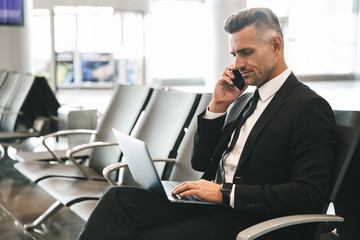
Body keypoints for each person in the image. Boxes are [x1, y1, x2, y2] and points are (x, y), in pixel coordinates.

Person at [77, 8, 336, 240]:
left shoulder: (307, 107)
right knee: (118, 199)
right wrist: (218, 107)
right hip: (212, 206)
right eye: (234, 54)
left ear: (276, 45)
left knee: (143, 234)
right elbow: (200, 163)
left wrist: (224, 193)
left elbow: (308, 194)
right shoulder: (243, 101)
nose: (237, 65)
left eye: (246, 52)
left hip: (250, 218)